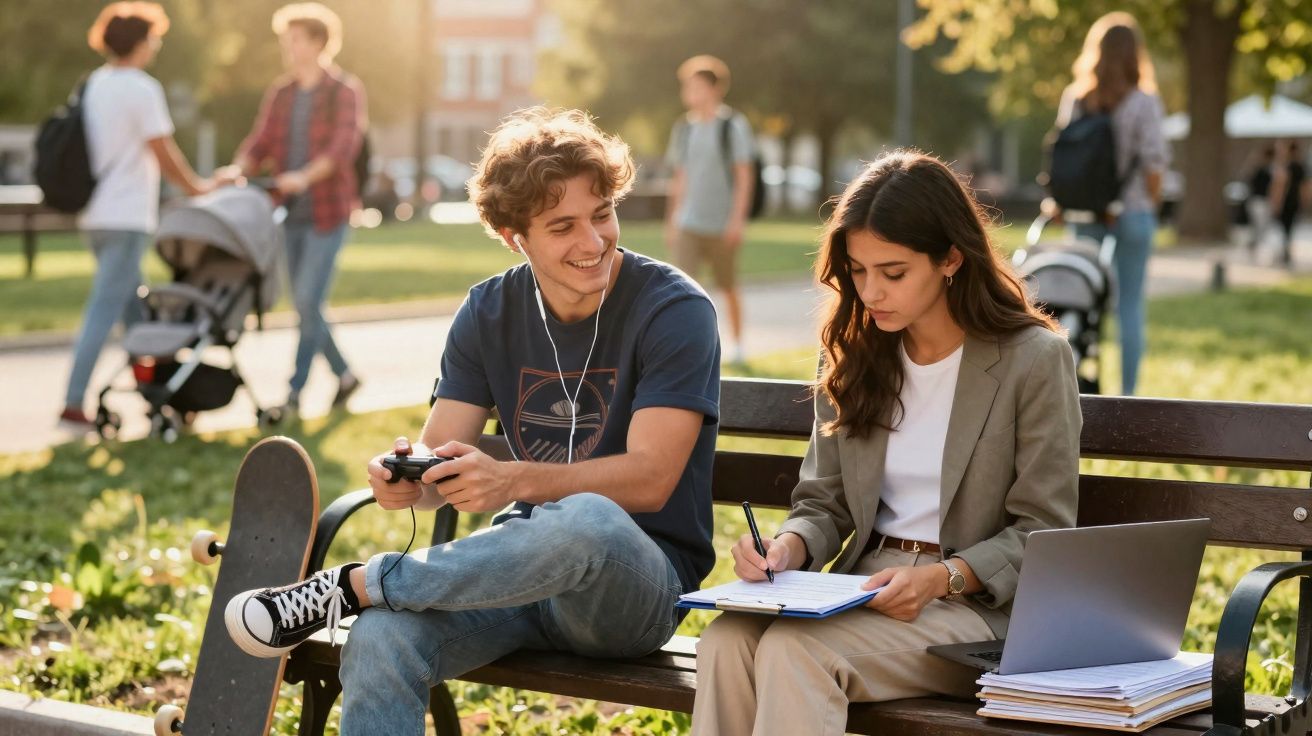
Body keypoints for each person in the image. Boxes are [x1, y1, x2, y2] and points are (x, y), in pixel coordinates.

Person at [224, 108, 721, 734]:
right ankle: (370, 595)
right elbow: (439, 468)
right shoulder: (489, 310)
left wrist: (512, 481)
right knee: (381, 637)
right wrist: (410, 479)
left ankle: (358, 583)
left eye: (602, 215)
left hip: (631, 591)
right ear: (516, 237)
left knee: (591, 518)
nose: (593, 243)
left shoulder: (673, 308)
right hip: (513, 581)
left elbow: (651, 481)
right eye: (563, 226)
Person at [690, 151, 1082, 736]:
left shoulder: (1033, 360)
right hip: (862, 584)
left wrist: (943, 577)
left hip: (977, 608)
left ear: (950, 258)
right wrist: (788, 550)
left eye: (893, 272)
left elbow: (1043, 529)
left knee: (797, 654)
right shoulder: (856, 351)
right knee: (726, 641)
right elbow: (824, 503)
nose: (871, 292)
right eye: (857, 271)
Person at [60, 1, 213, 430]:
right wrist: (198, 188)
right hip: (126, 217)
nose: (157, 45)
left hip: (95, 216)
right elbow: (164, 152)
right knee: (103, 310)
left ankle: (162, 394)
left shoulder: (94, 84)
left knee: (137, 315)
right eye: (154, 38)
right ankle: (73, 405)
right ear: (140, 42)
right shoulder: (141, 88)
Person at [217, 2, 365, 416]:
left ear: (318, 42)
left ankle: (294, 394)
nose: (289, 47)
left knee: (305, 299)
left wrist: (305, 175)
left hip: (327, 212)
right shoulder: (281, 93)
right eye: (287, 40)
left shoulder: (344, 91)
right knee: (306, 304)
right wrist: (239, 168)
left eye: (295, 39)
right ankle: (345, 375)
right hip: (289, 214)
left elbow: (342, 148)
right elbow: (260, 141)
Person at [1055, 11, 1168, 396]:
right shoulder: (1144, 102)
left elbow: (1062, 155)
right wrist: (1147, 203)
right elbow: (1154, 163)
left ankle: (1073, 387)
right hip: (1132, 212)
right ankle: (1128, 395)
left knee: (1081, 301)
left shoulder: (1077, 98)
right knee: (1130, 308)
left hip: (1086, 213)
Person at [665, 54, 756, 365]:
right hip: (689, 223)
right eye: (687, 86)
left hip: (722, 225)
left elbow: (744, 177)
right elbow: (680, 179)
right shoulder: (684, 129)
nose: (690, 91)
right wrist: (672, 220)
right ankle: (688, 349)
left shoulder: (732, 126)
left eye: (696, 85)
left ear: (715, 88)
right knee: (682, 289)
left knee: (728, 286)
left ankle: (739, 345)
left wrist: (736, 221)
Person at [1271, 140, 1307, 268]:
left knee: (1284, 228)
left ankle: (1284, 252)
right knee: (1289, 228)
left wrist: (1276, 203)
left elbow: (1281, 186)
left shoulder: (1286, 167)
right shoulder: (1301, 167)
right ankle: (1286, 252)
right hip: (1294, 201)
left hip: (1286, 202)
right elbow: (1305, 187)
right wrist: (1304, 201)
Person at [1247, 145, 1276, 256]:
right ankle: (1256, 246)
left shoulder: (1269, 170)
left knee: (1261, 227)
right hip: (1259, 201)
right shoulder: (1262, 170)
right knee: (1260, 226)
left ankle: (1257, 246)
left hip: (1261, 201)